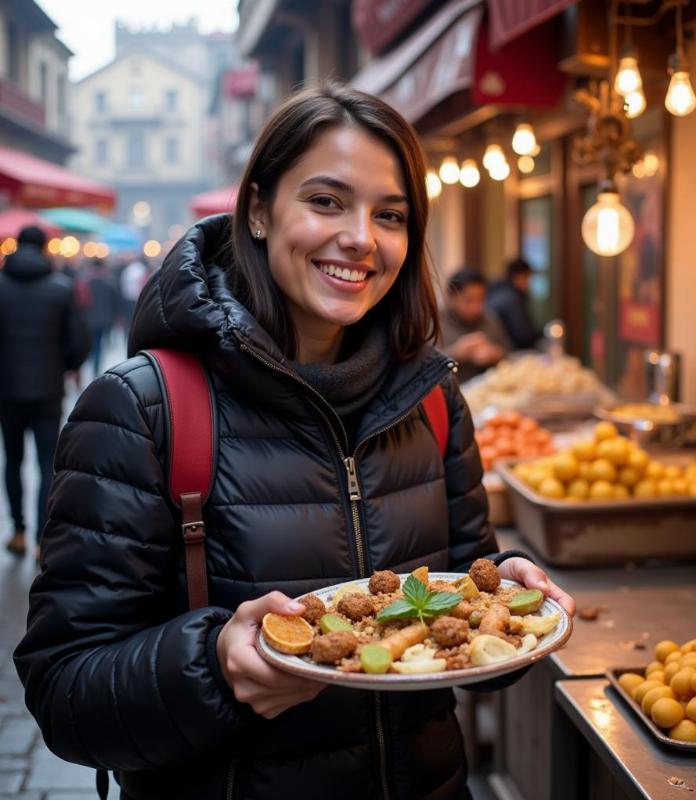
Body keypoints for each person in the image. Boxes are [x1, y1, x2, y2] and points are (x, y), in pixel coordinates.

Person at [15, 84, 573, 800]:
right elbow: (65, 693)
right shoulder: (141, 407)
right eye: (326, 201)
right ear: (257, 209)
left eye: (391, 214)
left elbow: (460, 614)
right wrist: (215, 667)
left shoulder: (432, 399)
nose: (362, 238)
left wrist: (514, 599)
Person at [0, 225, 90, 558]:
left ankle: (18, 531)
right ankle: (41, 539)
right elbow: (80, 342)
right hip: (47, 391)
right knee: (46, 462)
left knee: (12, 460)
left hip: (7, 392)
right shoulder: (60, 288)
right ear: (44, 248)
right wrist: (62, 365)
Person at [439, 268, 511, 383]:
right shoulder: (436, 323)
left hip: (489, 391)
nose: (476, 308)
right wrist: (456, 354)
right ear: (451, 297)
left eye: (481, 299)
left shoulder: (489, 318)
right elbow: (424, 370)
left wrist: (495, 355)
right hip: (451, 392)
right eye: (469, 300)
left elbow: (508, 354)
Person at [487, 257, 543, 350]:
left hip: (495, 348)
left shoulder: (497, 290)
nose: (529, 283)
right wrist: (542, 334)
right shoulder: (511, 298)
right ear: (519, 276)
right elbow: (523, 335)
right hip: (506, 351)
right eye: (528, 278)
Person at [82, 256, 119, 376]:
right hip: (104, 320)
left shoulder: (86, 282)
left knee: (92, 345)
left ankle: (91, 364)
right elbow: (114, 302)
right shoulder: (109, 282)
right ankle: (95, 368)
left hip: (88, 320)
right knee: (98, 346)